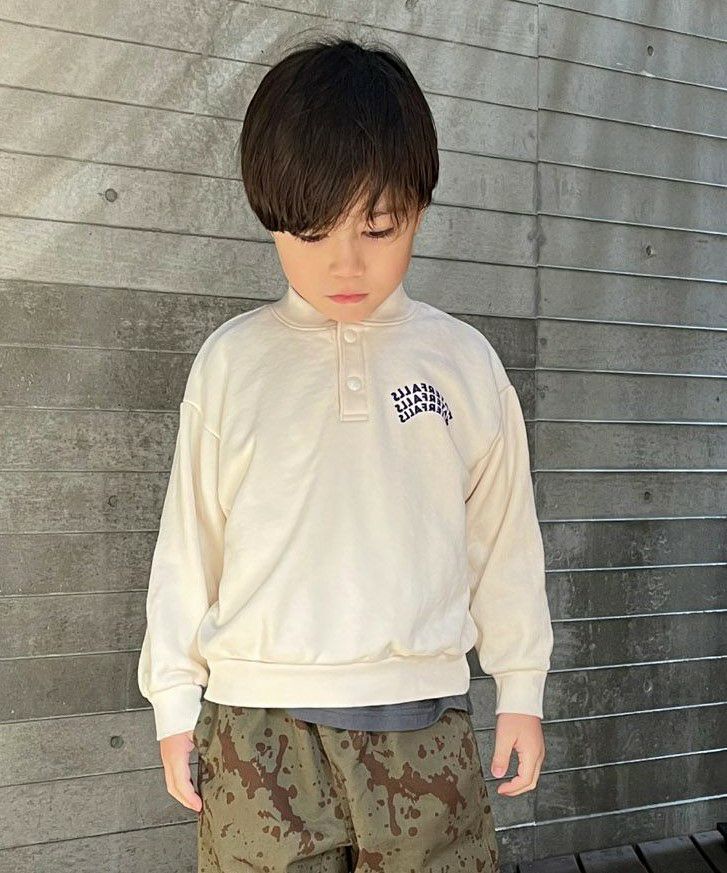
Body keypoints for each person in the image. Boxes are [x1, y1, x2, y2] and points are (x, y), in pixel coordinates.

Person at [137, 34, 554, 873]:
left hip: (421, 716)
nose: (345, 261)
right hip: (256, 724)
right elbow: (190, 543)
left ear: (419, 209)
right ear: (271, 217)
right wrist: (174, 701)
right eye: (311, 230)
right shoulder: (232, 361)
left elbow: (503, 539)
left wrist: (521, 687)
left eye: (377, 225)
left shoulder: (463, 362)